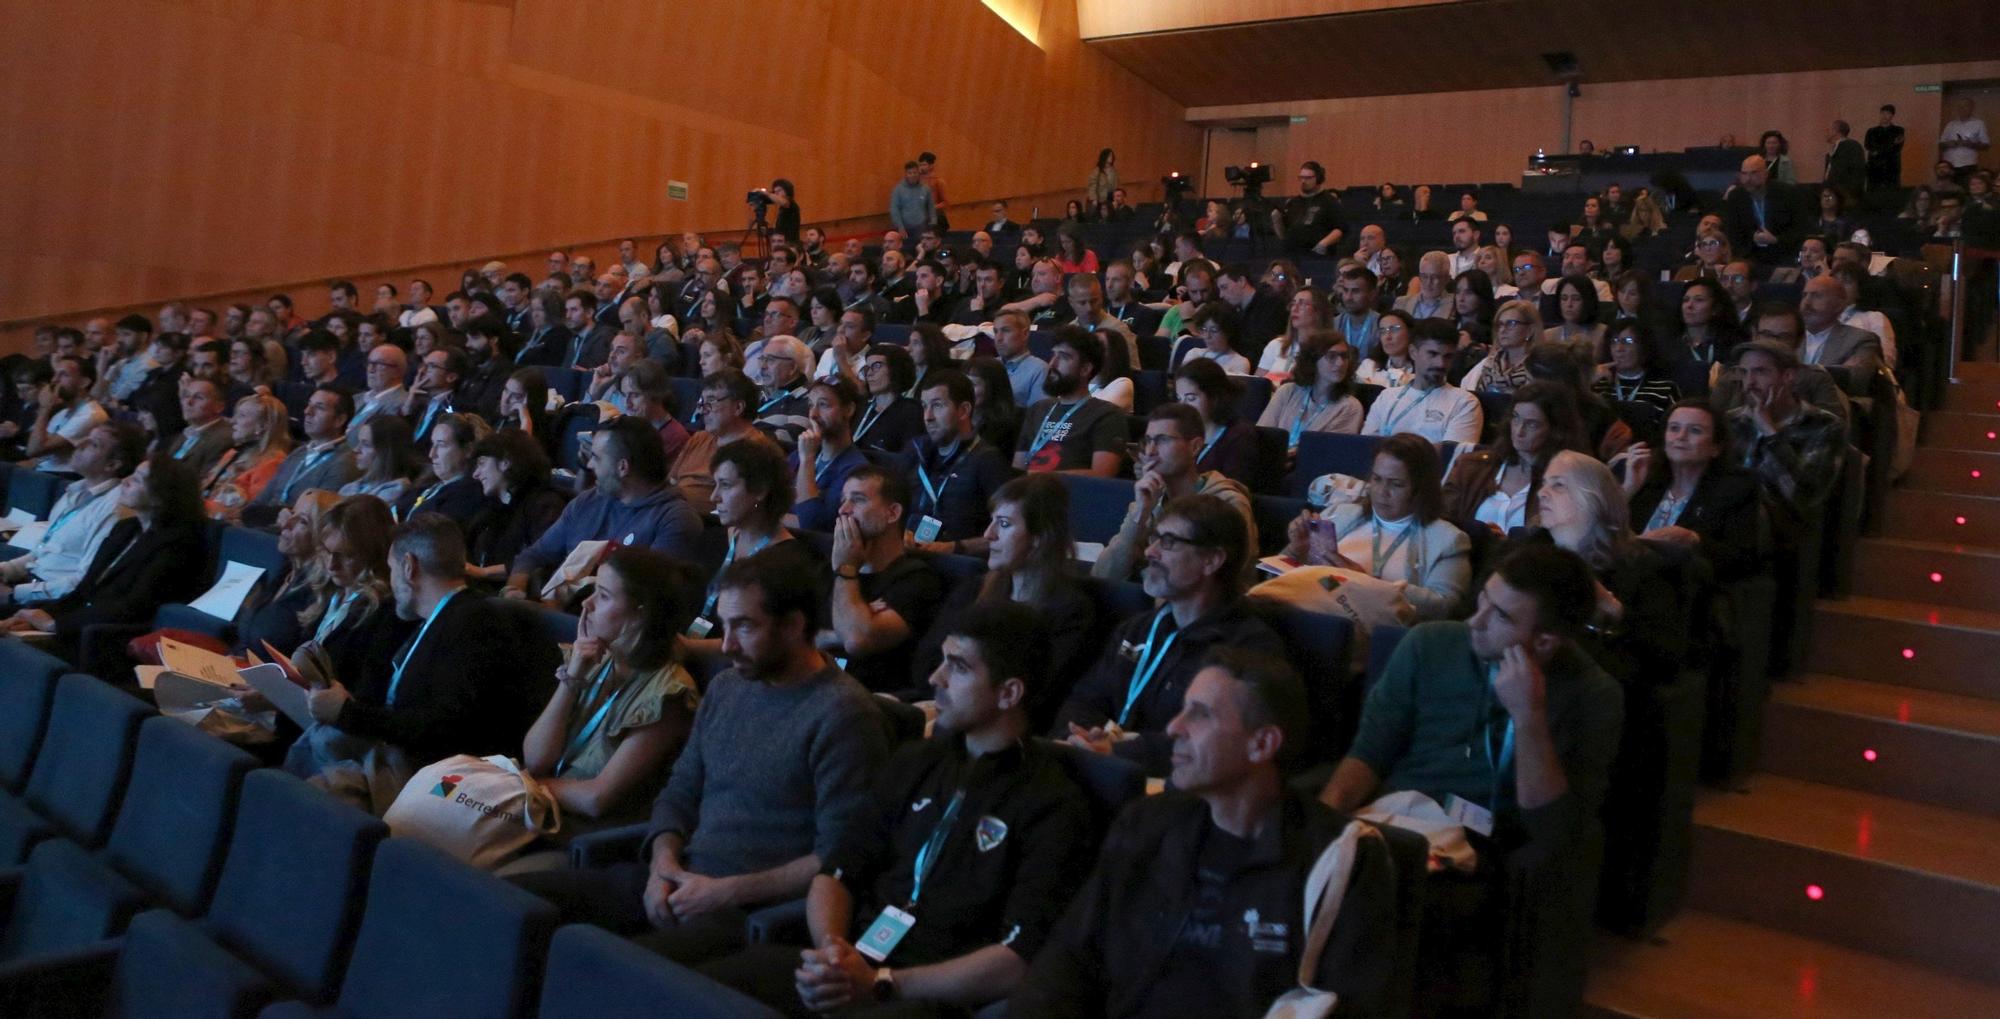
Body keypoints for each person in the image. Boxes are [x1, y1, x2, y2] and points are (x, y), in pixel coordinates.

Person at [706, 600, 1096, 1016]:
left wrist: (882, 985)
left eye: (958, 667)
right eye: (942, 661)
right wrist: (833, 954)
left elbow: (1018, 958)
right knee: (700, 991)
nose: (935, 678)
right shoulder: (917, 761)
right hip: (853, 963)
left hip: (929, 997)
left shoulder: (1053, 803)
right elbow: (837, 871)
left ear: (1009, 693)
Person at [510, 555, 889, 966]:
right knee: (514, 904)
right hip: (676, 878)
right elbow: (680, 793)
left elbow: (835, 858)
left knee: (602, 970)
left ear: (795, 626)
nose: (726, 646)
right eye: (724, 627)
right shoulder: (728, 687)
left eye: (744, 626)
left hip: (745, 910)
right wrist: (662, 864)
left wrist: (726, 891)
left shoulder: (844, 716)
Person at [1319, 544, 1622, 1016]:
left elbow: (1553, 828)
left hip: (1487, 848)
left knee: (1395, 906)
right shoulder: (1429, 644)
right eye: (1482, 600)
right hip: (1396, 820)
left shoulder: (1592, 696)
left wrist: (1529, 716)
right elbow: (1368, 754)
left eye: (1499, 615)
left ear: (1544, 642)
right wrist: (1319, 825)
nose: (1476, 621)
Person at [1018, 648, 1401, 1017]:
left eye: (1199, 715)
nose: (1173, 727)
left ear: (1261, 744)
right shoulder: (1147, 824)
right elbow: (1069, 960)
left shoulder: (1340, 860)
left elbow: (1353, 1005)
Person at [282, 512, 521, 808]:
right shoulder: (432, 619)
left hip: (434, 782)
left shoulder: (474, 623)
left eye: (392, 568)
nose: (391, 581)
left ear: (409, 567)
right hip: (396, 760)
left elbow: (444, 728)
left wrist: (347, 713)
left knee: (303, 795)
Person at [1062, 494, 1282, 776]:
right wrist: (1078, 736)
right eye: (1154, 539)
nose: (1150, 552)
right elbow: (1085, 697)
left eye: (1168, 542)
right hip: (1102, 768)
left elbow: (1214, 741)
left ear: (1212, 560)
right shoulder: (1138, 628)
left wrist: (1117, 752)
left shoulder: (1248, 648)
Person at [523, 547, 701, 827]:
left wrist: (525, 786)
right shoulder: (594, 658)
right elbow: (536, 759)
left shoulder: (669, 693)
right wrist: (572, 677)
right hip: (544, 804)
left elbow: (597, 799)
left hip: (582, 832)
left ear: (641, 614)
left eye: (603, 596)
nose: (586, 604)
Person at [1, 457, 209, 661]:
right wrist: (37, 615)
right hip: (81, 621)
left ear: (160, 496)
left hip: (109, 639)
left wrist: (54, 625)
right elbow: (85, 589)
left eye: (137, 479)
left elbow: (133, 607)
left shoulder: (178, 545)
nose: (125, 481)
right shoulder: (125, 528)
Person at [505, 416, 704, 602]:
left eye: (597, 458)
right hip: (554, 613)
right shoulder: (588, 501)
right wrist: (515, 590)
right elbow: (534, 555)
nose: (590, 465)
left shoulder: (675, 519)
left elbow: (650, 599)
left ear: (622, 467)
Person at [1278, 432, 1471, 620]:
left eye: (1396, 484)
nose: (1381, 492)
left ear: (1421, 489)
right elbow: (1276, 580)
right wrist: (1296, 551)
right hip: (1310, 609)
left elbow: (1445, 607)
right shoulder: (1339, 514)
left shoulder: (1448, 540)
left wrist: (1366, 584)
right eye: (1377, 479)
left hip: (1373, 632)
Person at [1093, 402, 1258, 585]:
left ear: (1195, 447)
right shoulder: (1150, 499)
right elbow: (1103, 575)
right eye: (1148, 440)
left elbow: (1232, 581)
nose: (1150, 451)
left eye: (1163, 440)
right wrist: (1140, 515)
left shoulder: (1228, 503)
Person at [684, 439, 820, 651]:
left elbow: (765, 643)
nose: (714, 496)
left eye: (726, 485)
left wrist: (688, 648)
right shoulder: (712, 538)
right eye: (715, 484)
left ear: (759, 490)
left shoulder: (788, 562)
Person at [824, 466, 945, 696]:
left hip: (868, 701)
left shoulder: (917, 580)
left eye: (857, 500)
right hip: (816, 690)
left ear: (892, 513)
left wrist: (846, 570)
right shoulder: (829, 565)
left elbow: (856, 639)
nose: (843, 510)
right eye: (843, 500)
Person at [0, 421, 142, 609]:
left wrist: (14, 594)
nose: (79, 443)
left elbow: (83, 580)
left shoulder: (115, 509)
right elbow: (42, 553)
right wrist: (5, 570)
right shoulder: (75, 490)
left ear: (112, 464)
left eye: (93, 444)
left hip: (51, 602)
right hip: (29, 585)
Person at [1621, 401, 1768, 582]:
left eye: (1695, 430)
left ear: (1716, 448)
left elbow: (1743, 561)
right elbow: (1601, 537)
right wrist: (1628, 488)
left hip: (1689, 590)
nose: (1681, 436)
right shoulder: (1642, 476)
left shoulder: (1737, 488)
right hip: (1629, 580)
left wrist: (1694, 540)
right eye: (1674, 428)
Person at [1442, 381, 1589, 538]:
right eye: (1516, 418)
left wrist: (1509, 542)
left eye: (1532, 424)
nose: (1519, 431)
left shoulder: (1569, 481)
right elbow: (1442, 521)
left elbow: (1566, 540)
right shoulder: (1472, 466)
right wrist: (1477, 532)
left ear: (1556, 431)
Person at [1723, 340, 1846, 524]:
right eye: (1744, 372)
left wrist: (1769, 431)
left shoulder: (1823, 425)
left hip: (1781, 529)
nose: (1749, 382)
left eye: (1760, 371)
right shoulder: (1729, 421)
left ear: (1788, 376)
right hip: (1724, 518)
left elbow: (1804, 499)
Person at [900, 368, 1011, 556]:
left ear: (963, 410)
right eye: (924, 406)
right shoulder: (915, 452)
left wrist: (953, 548)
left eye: (937, 405)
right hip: (913, 555)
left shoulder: (987, 461)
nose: (928, 416)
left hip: (959, 564)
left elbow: (1008, 532)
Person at [242, 385, 359, 527]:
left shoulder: (345, 462)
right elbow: (256, 505)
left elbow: (316, 515)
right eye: (309, 405)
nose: (307, 411)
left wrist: (268, 515)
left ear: (339, 420)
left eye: (319, 407)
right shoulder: (299, 452)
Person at [1014, 327, 1123, 477]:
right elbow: (1018, 468)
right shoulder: (1038, 409)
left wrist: (1039, 477)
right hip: (1028, 494)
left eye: (1064, 357)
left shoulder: (1107, 415)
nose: (1052, 364)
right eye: (1053, 355)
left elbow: (1103, 475)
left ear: (1085, 369)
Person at [464, 429, 566, 585]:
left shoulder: (544, 504)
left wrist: (483, 573)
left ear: (506, 462)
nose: (475, 474)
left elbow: (541, 559)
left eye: (482, 463)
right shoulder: (491, 508)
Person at [674, 370, 783, 513]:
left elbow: (758, 508)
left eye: (711, 401)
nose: (702, 411)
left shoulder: (759, 451)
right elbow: (672, 481)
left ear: (738, 407)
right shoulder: (699, 438)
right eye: (702, 402)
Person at [1360, 323, 1483, 444]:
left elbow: (1451, 457)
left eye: (1448, 356)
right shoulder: (1386, 397)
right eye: (1433, 354)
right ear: (1413, 352)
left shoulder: (1465, 403)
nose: (1440, 363)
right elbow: (1366, 446)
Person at [1258, 331, 1365, 451]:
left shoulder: (1350, 407)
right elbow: (1262, 435)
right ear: (1313, 360)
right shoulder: (1287, 392)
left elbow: (1330, 451)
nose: (1340, 363)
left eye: (1344, 356)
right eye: (1332, 356)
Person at [790, 376, 872, 533]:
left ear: (848, 410)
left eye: (823, 405)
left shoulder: (856, 469)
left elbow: (811, 524)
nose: (813, 414)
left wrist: (807, 460)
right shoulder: (798, 454)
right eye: (811, 405)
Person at [203, 392, 294, 521]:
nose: (233, 421)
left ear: (263, 426)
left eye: (242, 415)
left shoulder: (273, 463)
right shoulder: (233, 453)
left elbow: (247, 512)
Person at [395, 412, 486, 527]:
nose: (432, 454)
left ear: (468, 450)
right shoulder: (430, 484)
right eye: (433, 444)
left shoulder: (465, 496)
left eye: (442, 445)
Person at [22, 355, 108, 474]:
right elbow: (37, 454)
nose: (54, 380)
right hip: (44, 471)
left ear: (84, 382)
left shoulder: (91, 415)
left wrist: (45, 408)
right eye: (55, 374)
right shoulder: (62, 414)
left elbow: (34, 449)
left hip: (63, 477)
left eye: (63, 375)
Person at [1591, 320, 1682, 426]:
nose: (1618, 348)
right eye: (1614, 341)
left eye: (1628, 341)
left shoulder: (1665, 389)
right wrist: (1588, 382)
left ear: (1643, 347)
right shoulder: (1598, 385)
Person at [1666, 277, 1742, 397]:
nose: (1689, 306)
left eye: (1699, 300)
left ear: (1715, 309)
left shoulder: (1732, 345)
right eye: (1685, 300)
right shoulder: (1667, 345)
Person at [1798, 274, 1883, 373]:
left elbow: (1853, 380)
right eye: (1804, 295)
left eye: (1817, 296)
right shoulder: (1789, 336)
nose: (1806, 303)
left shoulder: (1860, 341)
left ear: (1838, 305)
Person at [1722, 155, 1799, 265]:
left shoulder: (1787, 193)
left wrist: (1776, 240)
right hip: (1749, 255)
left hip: (1783, 253)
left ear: (1765, 174)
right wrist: (1752, 240)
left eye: (1753, 173)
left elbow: (1799, 228)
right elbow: (1732, 231)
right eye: (1744, 174)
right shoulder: (1736, 196)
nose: (1748, 179)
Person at [158, 376, 234, 483]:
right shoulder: (190, 431)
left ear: (219, 407)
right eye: (186, 396)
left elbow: (204, 484)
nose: (188, 402)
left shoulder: (223, 439)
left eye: (198, 397)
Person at [853, 345, 926, 456]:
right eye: (867, 368)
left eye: (877, 366)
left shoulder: (911, 412)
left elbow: (909, 459)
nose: (869, 373)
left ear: (895, 369)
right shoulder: (861, 407)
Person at [339, 413, 422, 508]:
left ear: (385, 453)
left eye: (366, 445)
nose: (356, 449)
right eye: (359, 442)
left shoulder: (394, 490)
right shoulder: (352, 486)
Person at [1460, 300, 1541, 397]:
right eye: (1500, 324)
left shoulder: (1538, 368)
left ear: (1530, 330)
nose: (1503, 329)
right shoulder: (1488, 364)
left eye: (1511, 323)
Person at [1270, 160, 1347, 255]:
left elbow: (1340, 228)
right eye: (1301, 177)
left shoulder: (1329, 201)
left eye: (1308, 178)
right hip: (1293, 253)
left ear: (1318, 179)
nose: (1303, 181)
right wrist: (1277, 221)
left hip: (1317, 254)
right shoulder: (1292, 202)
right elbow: (1284, 234)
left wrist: (1323, 244)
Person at [1542, 277, 1605, 361]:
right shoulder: (1547, 336)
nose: (1569, 304)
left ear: (1588, 301)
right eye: (1564, 298)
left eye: (1576, 299)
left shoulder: (1603, 333)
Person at [1357, 309, 1419, 389]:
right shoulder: (1369, 365)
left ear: (1410, 332)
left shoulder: (1423, 369)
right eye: (1383, 331)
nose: (1387, 337)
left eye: (1394, 329)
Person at [1940, 97, 1990, 183]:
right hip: (1950, 165)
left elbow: (1986, 145)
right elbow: (1940, 144)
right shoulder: (1951, 125)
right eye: (1960, 107)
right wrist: (1950, 143)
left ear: (1972, 108)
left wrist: (1971, 144)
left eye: (1965, 106)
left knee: (1967, 190)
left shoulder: (1979, 123)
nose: (1962, 109)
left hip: (1968, 165)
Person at [889, 160, 936, 236]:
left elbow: (931, 208)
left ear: (919, 173)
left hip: (922, 227)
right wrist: (900, 227)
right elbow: (895, 210)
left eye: (914, 172)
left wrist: (933, 225)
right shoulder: (898, 190)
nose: (912, 175)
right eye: (909, 173)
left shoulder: (926, 189)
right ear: (906, 174)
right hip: (904, 229)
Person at [1866, 104, 1906, 191]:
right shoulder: (1871, 131)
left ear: (1892, 115)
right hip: (1874, 168)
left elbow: (1896, 148)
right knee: (1873, 194)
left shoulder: (1898, 130)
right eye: (1882, 113)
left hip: (1891, 168)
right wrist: (1891, 143)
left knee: (1892, 194)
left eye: (1887, 113)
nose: (1884, 116)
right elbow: (1868, 146)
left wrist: (1878, 151)